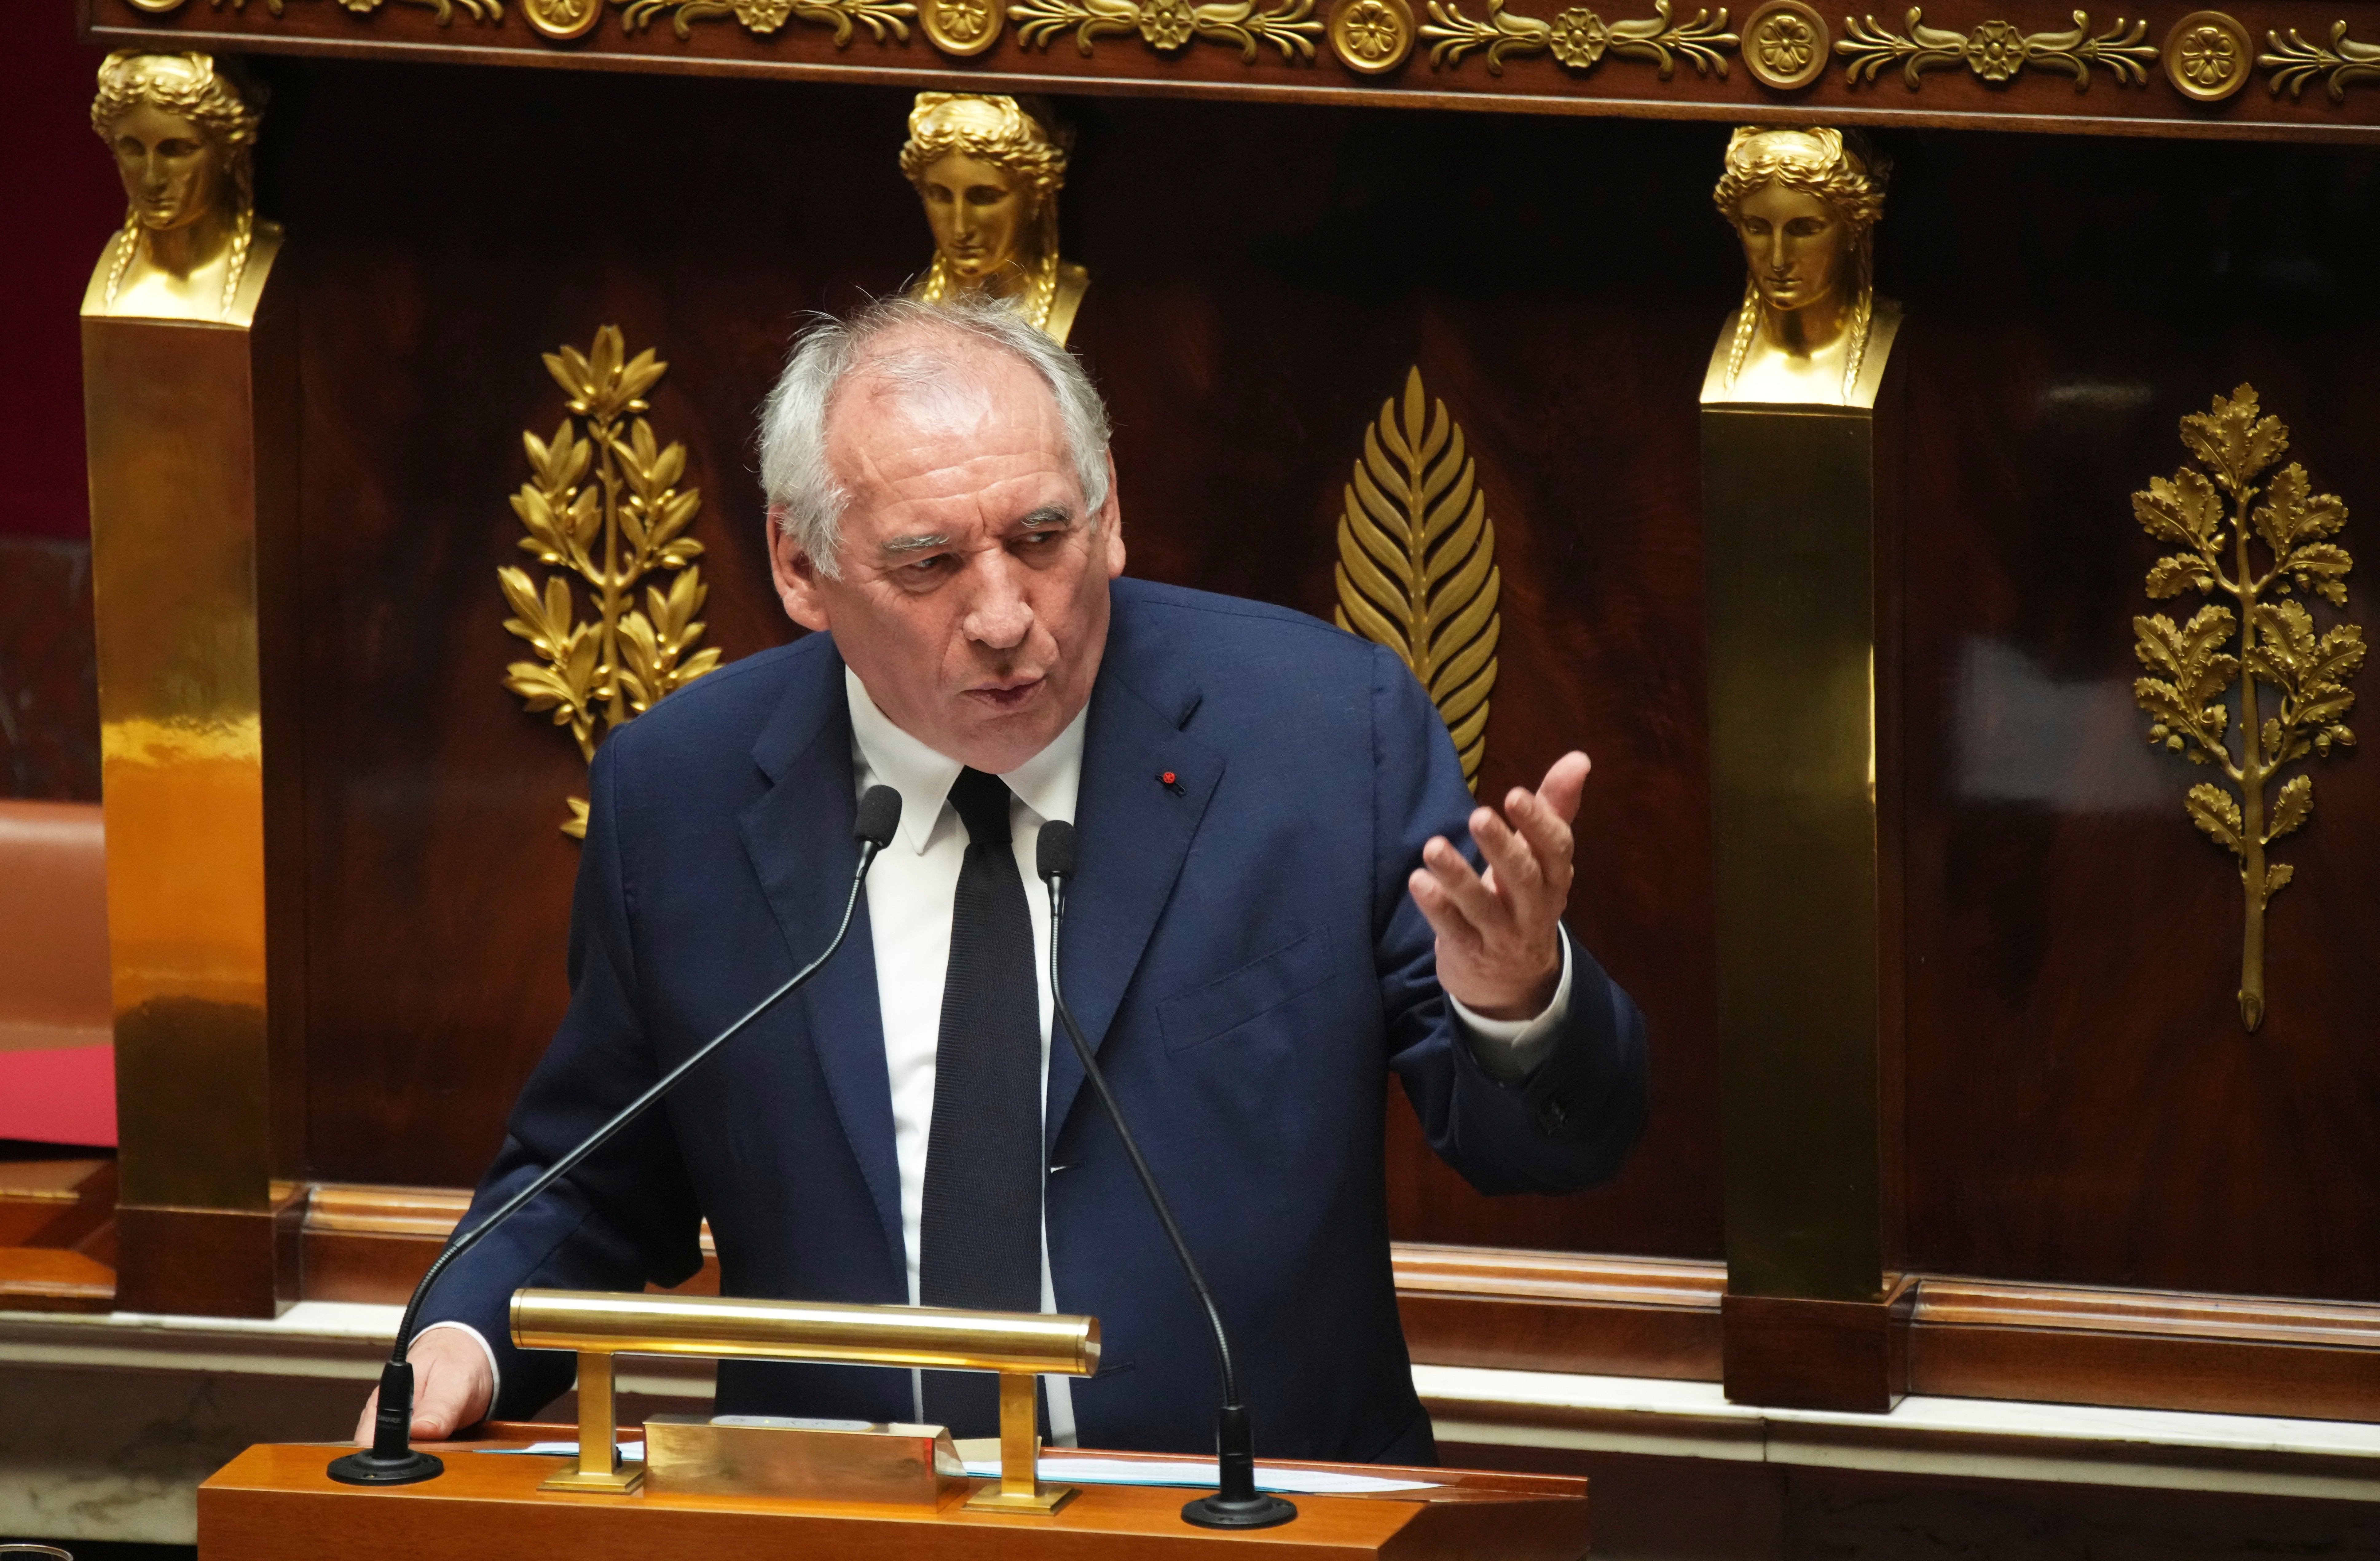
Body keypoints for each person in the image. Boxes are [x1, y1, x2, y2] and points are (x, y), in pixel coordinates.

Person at [357, 294, 1646, 1463]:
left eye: (1041, 537)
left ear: (1110, 512)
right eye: (927, 562)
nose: (1003, 615)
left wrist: (1514, 997)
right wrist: (458, 1340)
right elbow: (594, 1170)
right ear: (800, 567)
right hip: (839, 1519)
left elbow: (1548, 1147)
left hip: (1247, 1515)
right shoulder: (680, 790)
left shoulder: (1317, 729)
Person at [1705, 126, 1894, 407]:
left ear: (1854, 230)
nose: (1778, 260)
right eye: (1757, 228)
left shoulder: (1900, 347)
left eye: (1804, 230)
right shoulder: (1703, 347)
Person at [86, 51, 279, 325]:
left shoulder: (267, 262)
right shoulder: (110, 277)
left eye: (177, 150)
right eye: (133, 148)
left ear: (230, 151)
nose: (152, 180)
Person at [903, 93, 1091, 345]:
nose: (960, 228)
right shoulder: (914, 299)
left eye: (984, 197)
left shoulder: (1085, 309)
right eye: (941, 195)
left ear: (1036, 195)